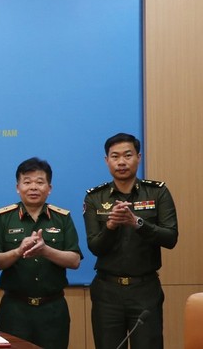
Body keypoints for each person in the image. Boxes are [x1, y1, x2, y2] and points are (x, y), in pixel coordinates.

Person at [84, 133, 178, 349]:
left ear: (139, 157)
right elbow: (94, 247)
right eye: (115, 156)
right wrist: (110, 226)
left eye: (128, 155)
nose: (121, 162)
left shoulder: (158, 192)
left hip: (145, 291)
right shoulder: (94, 198)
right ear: (107, 161)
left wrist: (138, 223)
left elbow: (171, 238)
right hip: (107, 292)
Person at [0, 157, 82, 349]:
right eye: (27, 182)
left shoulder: (62, 218)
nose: (33, 187)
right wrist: (18, 251)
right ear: (18, 187)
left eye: (40, 182)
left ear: (49, 188)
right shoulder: (3, 218)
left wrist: (45, 250)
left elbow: (74, 260)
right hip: (14, 309)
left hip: (53, 310)